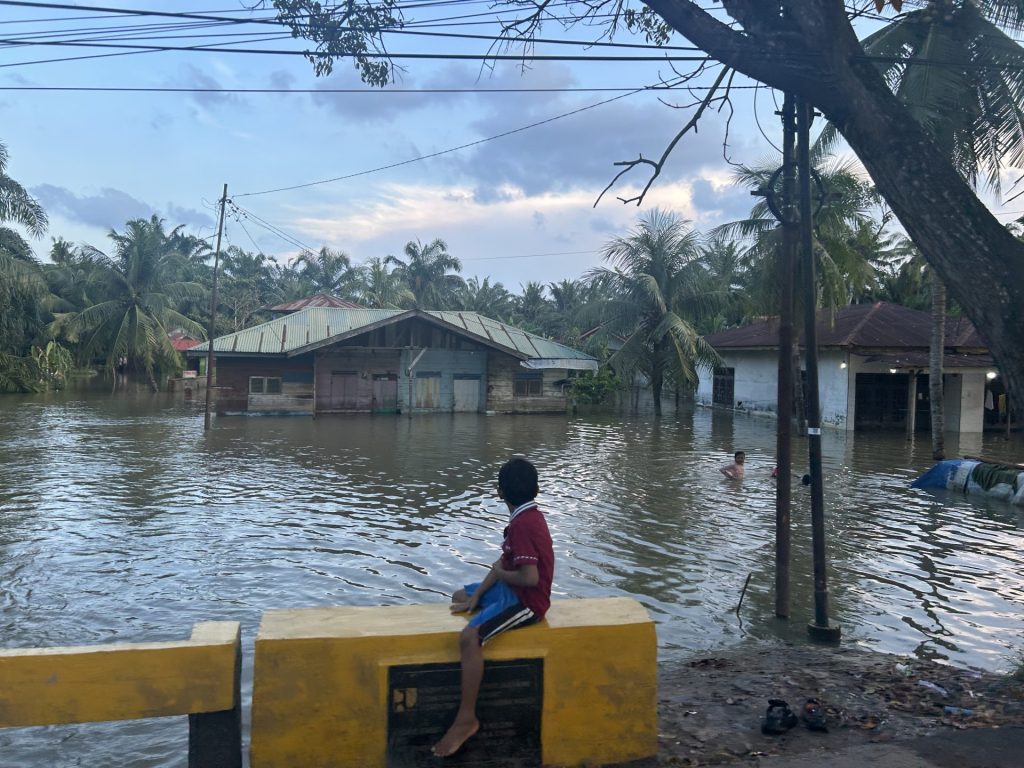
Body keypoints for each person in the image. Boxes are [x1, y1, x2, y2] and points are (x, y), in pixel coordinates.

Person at [432, 457, 554, 758]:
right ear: (536, 490)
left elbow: (529, 578)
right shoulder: (525, 518)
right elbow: (503, 562)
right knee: (459, 596)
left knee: (469, 637)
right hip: (511, 588)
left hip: (527, 601)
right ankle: (478, 600)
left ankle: (466, 719)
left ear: (500, 492)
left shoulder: (523, 525)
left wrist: (499, 574)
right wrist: (478, 594)